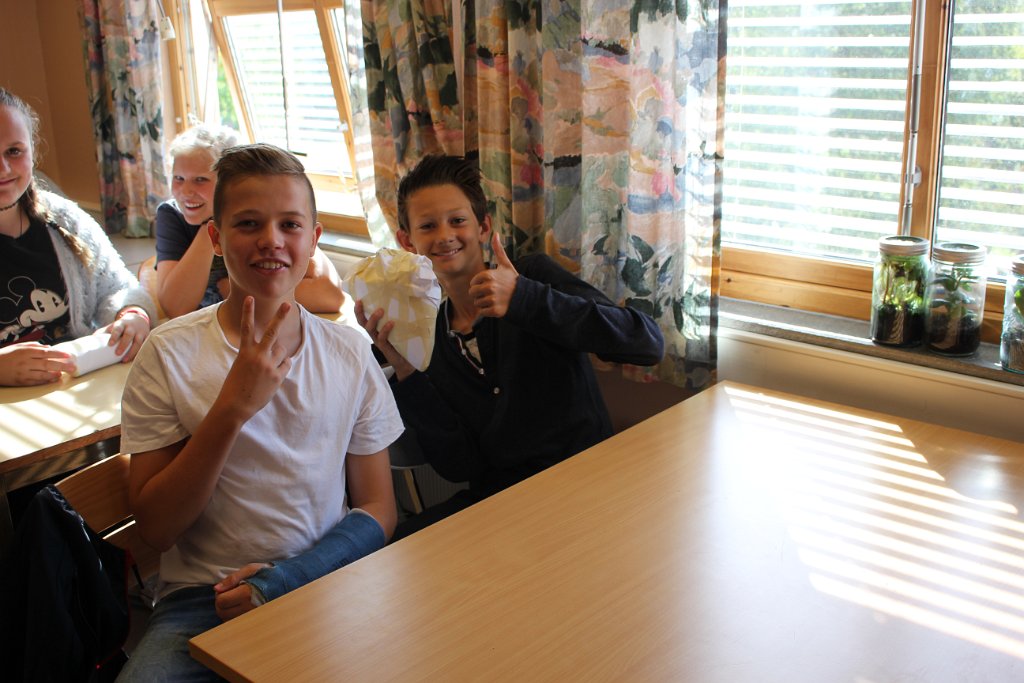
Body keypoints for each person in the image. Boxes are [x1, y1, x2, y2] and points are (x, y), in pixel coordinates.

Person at [118, 143, 403, 681]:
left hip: (326, 580)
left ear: (313, 241)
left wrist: (286, 580)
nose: (271, 239)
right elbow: (156, 529)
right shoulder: (169, 352)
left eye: (289, 224)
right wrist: (232, 408)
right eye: (248, 223)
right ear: (216, 238)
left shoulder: (348, 352)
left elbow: (378, 509)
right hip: (202, 601)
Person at [357, 155, 664, 538]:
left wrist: (525, 299)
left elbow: (645, 344)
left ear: (483, 227)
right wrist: (406, 372)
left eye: (458, 220)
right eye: (427, 226)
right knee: (392, 551)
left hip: (586, 483)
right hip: (503, 503)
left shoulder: (530, 277)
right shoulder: (428, 337)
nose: (444, 235)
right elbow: (460, 466)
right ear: (407, 241)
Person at [0, 88, 155, 386]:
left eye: (14, 151)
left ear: (32, 151)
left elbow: (118, 287)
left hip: (78, 391)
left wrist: (133, 314)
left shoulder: (64, 219)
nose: (3, 168)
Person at [156, 124, 345, 318]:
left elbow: (330, 295)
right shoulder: (171, 215)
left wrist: (238, 292)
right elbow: (176, 307)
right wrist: (211, 226)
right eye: (179, 178)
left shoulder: (269, 215)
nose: (186, 191)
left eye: (200, 180)